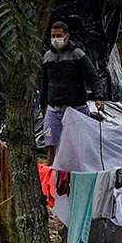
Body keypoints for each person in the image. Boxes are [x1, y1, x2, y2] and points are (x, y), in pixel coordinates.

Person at [40, 19, 103, 155]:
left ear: (66, 36)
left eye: (59, 36)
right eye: (53, 36)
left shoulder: (77, 54)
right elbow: (44, 83)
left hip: (76, 108)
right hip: (54, 109)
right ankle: (53, 174)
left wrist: (98, 96)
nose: (56, 39)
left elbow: (92, 76)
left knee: (78, 147)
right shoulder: (47, 57)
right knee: (52, 147)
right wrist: (43, 105)